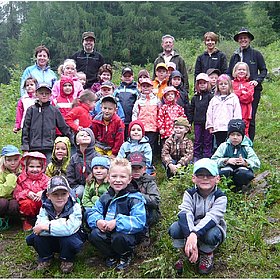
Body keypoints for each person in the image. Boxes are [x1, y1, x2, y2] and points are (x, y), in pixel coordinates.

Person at [168, 158, 227, 275]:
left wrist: (194, 234)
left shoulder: (220, 197)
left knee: (212, 235)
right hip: (191, 227)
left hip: (211, 228)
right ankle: (185, 250)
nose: (205, 178)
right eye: (200, 175)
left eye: (209, 175)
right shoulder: (189, 194)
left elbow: (212, 217)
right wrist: (191, 234)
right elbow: (185, 213)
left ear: (217, 179)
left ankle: (206, 253)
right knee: (174, 228)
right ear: (193, 178)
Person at [87, 158, 146, 270]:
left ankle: (125, 256)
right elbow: (94, 211)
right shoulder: (105, 196)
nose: (118, 180)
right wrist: (98, 221)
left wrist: (117, 222)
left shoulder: (135, 198)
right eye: (114, 176)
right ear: (108, 178)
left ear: (129, 179)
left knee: (119, 237)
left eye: (122, 177)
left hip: (126, 234)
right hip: (107, 231)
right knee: (94, 234)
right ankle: (111, 255)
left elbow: (139, 221)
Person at [26, 175, 85, 273]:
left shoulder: (75, 207)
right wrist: (61, 225)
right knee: (37, 237)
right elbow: (38, 228)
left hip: (68, 239)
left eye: (63, 193)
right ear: (48, 195)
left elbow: (70, 228)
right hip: (53, 238)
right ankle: (46, 257)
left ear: (69, 194)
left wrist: (47, 226)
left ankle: (67, 259)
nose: (60, 197)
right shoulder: (45, 207)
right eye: (55, 194)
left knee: (69, 239)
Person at [227, 27, 267, 141]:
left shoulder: (256, 54)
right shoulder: (235, 56)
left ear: (249, 39)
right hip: (235, 91)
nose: (243, 40)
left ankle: (249, 143)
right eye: (240, 38)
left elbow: (264, 70)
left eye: (245, 38)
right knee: (235, 117)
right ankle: (235, 142)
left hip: (252, 91)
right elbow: (229, 72)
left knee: (250, 117)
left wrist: (257, 80)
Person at [21, 83, 72, 163]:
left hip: (50, 147)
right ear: (36, 94)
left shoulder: (54, 110)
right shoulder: (31, 110)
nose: (44, 95)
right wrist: (25, 148)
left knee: (49, 169)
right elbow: (25, 130)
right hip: (33, 147)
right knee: (34, 169)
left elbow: (64, 127)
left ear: (50, 95)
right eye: (41, 93)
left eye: (47, 93)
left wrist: (73, 140)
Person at [211, 119, 260, 192]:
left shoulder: (247, 147)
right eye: (232, 134)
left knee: (243, 173)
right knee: (225, 172)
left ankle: (240, 189)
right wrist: (226, 160)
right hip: (227, 168)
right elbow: (213, 160)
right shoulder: (224, 146)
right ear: (228, 135)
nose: (235, 137)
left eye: (238, 135)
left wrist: (245, 162)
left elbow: (257, 163)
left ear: (243, 136)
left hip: (242, 169)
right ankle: (225, 189)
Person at [13, 152, 50, 231]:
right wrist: (27, 193)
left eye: (38, 167)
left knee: (47, 202)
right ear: (26, 167)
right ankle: (27, 220)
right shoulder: (21, 179)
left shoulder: (46, 179)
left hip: (40, 203)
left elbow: (51, 191)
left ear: (42, 167)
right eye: (31, 166)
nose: (35, 169)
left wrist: (43, 193)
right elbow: (17, 193)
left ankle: (43, 219)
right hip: (29, 204)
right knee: (26, 204)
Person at [206, 74, 242, 148]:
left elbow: (237, 113)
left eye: (225, 84)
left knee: (230, 146)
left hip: (229, 128)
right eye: (221, 84)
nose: (223, 86)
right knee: (219, 146)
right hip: (217, 127)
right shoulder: (214, 99)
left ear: (230, 85)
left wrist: (236, 125)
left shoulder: (233, 98)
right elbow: (209, 113)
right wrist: (210, 125)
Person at [127, 152, 160, 230]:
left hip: (147, 211)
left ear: (145, 169)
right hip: (129, 210)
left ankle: (145, 234)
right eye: (133, 168)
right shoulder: (125, 181)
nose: (136, 171)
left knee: (152, 215)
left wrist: (138, 195)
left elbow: (155, 200)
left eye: (139, 168)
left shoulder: (149, 182)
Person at [66, 128, 99, 199]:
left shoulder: (97, 157)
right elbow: (70, 176)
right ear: (77, 141)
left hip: (94, 185)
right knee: (80, 191)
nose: (85, 136)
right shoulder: (74, 158)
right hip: (78, 186)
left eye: (88, 135)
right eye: (81, 135)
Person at [132, 78, 161, 159]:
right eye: (144, 86)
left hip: (153, 127)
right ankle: (140, 159)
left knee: (151, 145)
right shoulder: (138, 101)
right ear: (141, 88)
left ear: (152, 87)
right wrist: (134, 125)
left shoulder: (156, 100)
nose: (146, 88)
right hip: (141, 127)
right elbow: (135, 113)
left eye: (148, 86)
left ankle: (150, 162)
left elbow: (160, 113)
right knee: (141, 143)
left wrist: (159, 125)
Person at [189, 73, 213, 161]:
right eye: (200, 83)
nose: (202, 85)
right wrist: (189, 122)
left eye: (204, 83)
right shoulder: (195, 98)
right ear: (197, 85)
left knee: (207, 140)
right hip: (197, 122)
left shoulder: (211, 96)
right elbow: (191, 110)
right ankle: (196, 156)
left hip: (208, 122)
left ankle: (207, 156)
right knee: (197, 139)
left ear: (208, 84)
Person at [113, 67, 139, 139]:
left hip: (131, 120)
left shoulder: (136, 91)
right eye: (125, 76)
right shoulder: (117, 90)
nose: (127, 78)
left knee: (130, 139)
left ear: (133, 77)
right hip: (119, 120)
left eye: (129, 76)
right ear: (121, 77)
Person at [0, 145, 21, 230]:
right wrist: (11, 179)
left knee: (14, 205)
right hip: (3, 197)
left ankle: (13, 221)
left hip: (15, 198)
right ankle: (2, 218)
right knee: (2, 203)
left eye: (16, 160)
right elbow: (2, 191)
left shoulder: (22, 172)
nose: (13, 163)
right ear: (3, 160)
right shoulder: (1, 173)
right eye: (9, 160)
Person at [232, 62, 255, 137]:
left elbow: (248, 98)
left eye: (244, 70)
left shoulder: (250, 84)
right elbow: (231, 95)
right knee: (233, 130)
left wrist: (237, 94)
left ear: (247, 72)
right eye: (239, 69)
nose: (241, 71)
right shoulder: (231, 83)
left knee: (244, 131)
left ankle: (245, 147)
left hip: (245, 112)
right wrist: (242, 92)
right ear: (235, 71)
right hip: (233, 111)